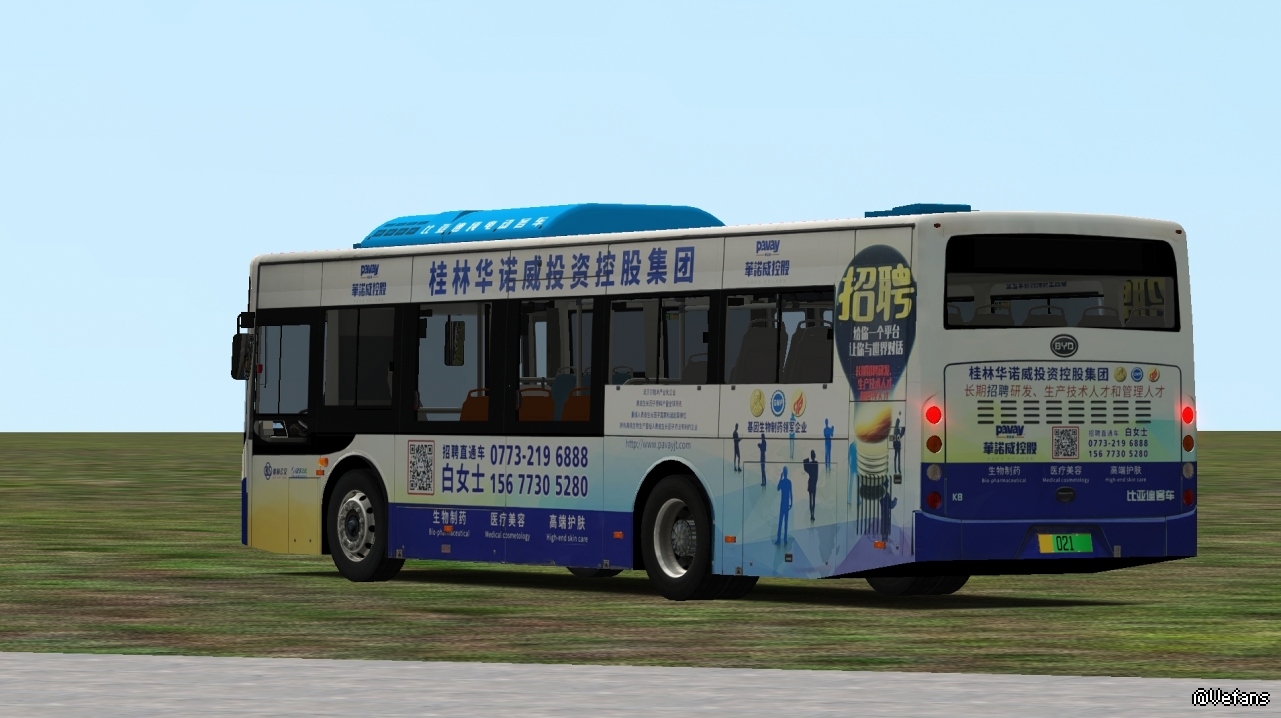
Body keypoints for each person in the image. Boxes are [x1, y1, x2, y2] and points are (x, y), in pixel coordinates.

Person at [775, 466, 792, 545]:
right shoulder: (789, 482)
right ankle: (785, 539)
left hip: (782, 504)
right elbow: (791, 493)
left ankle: (779, 539)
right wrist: (791, 503)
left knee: (780, 522)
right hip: (786, 503)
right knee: (785, 522)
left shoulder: (782, 482)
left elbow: (778, 488)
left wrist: (780, 478)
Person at [804, 450, 820, 521]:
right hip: (814, 483)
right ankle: (813, 514)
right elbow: (816, 474)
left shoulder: (810, 464)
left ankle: (812, 514)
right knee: (813, 499)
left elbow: (806, 468)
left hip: (810, 482)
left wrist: (806, 460)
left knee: (810, 500)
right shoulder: (816, 463)